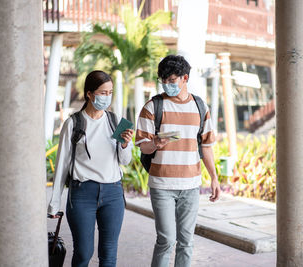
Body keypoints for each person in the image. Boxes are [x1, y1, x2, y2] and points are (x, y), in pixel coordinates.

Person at [135, 55, 221, 267]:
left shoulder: (200, 107)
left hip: (191, 186)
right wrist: (155, 142)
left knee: (186, 242)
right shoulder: (153, 106)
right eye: (163, 80)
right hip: (162, 185)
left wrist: (214, 178)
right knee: (166, 240)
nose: (166, 85)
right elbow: (142, 146)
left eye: (171, 81)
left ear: (185, 78)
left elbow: (207, 146)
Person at [48, 70, 134, 267]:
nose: (107, 97)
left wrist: (124, 145)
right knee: (83, 254)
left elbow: (125, 161)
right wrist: (54, 203)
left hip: (113, 193)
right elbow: (62, 165)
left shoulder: (116, 122)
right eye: (103, 93)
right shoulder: (73, 123)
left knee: (109, 254)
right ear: (89, 94)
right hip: (82, 194)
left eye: (110, 92)